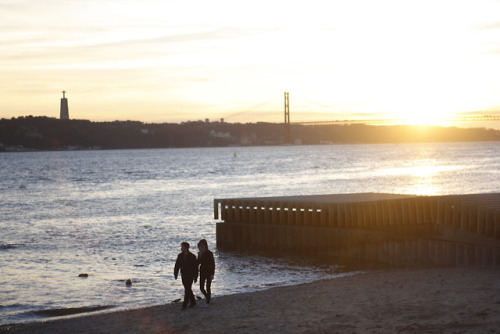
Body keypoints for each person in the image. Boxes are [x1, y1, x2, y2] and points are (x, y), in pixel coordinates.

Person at [174, 242, 198, 309]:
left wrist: (195, 277)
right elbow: (177, 265)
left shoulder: (192, 256)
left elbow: (195, 268)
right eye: (181, 247)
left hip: (190, 275)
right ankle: (193, 301)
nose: (181, 248)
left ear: (186, 248)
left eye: (182, 247)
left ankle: (184, 305)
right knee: (188, 289)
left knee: (187, 289)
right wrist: (175, 273)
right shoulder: (180, 256)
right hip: (183, 275)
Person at [197, 239, 215, 305]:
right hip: (202, 271)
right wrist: (199, 256)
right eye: (198, 247)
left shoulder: (210, 253)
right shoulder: (200, 253)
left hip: (209, 271)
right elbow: (198, 263)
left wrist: (212, 273)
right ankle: (208, 297)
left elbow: (213, 264)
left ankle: (208, 301)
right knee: (201, 287)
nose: (199, 249)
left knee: (208, 287)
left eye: (200, 247)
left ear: (204, 246)